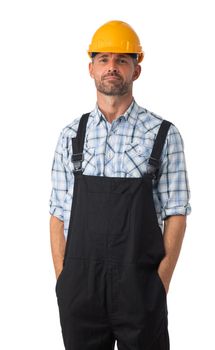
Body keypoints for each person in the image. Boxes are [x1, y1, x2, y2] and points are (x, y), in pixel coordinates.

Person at [49, 20, 191, 350]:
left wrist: (159, 283)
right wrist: (64, 281)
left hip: (140, 289)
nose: (112, 67)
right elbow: (57, 213)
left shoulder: (164, 134)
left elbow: (177, 213)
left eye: (122, 60)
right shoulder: (71, 135)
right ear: (91, 68)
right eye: (104, 59)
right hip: (80, 292)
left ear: (136, 70)